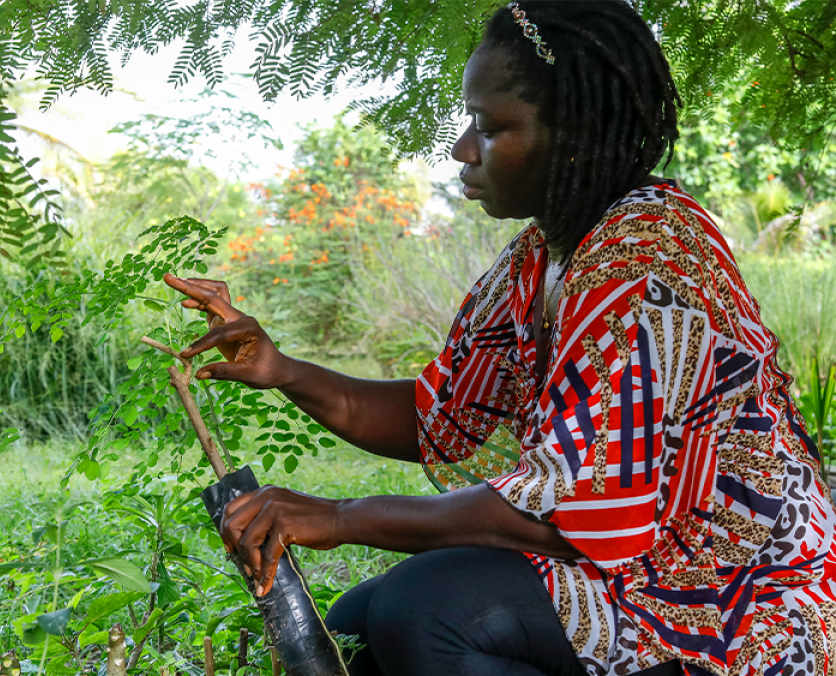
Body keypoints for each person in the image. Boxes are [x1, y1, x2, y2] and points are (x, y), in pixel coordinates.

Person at [165, 1, 836, 675]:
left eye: (488, 127)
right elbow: (439, 416)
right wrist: (282, 368)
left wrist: (341, 517)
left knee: (424, 614)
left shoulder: (646, 254)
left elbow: (579, 507)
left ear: (574, 132)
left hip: (736, 597)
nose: (462, 149)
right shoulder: (536, 261)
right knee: (356, 626)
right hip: (636, 570)